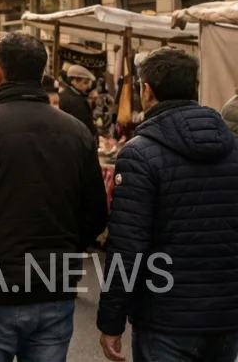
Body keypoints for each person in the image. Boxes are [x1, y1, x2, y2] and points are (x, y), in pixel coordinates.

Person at [0, 33, 107, 362]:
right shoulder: (77, 131)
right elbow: (95, 213)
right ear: (41, 73)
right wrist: (66, 251)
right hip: (52, 286)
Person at [97, 48, 238, 362]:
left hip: (164, 318)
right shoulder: (233, 149)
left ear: (147, 90)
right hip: (225, 315)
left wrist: (111, 320)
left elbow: (128, 246)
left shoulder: (139, 153)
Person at [60, 65, 99, 139]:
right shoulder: (76, 101)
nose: (87, 86)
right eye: (85, 83)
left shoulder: (64, 94)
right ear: (74, 81)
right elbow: (84, 127)